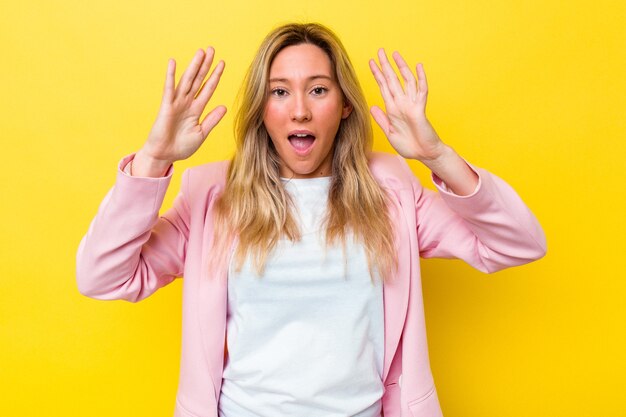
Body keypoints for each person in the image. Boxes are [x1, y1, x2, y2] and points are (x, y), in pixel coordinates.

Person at [76, 22, 546, 417]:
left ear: (344, 106)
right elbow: (102, 276)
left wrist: (437, 155)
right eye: (280, 92)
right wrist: (154, 158)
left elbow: (519, 244)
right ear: (263, 110)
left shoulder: (392, 193)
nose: (299, 109)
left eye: (318, 90)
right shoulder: (211, 197)